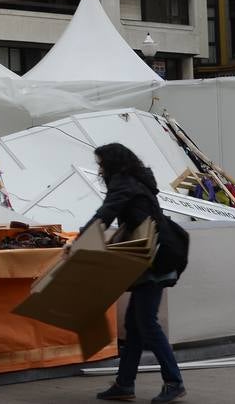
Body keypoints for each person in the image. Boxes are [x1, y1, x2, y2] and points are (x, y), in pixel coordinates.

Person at [90, 143, 186, 404]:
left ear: (112, 162)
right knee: (134, 325)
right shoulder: (136, 180)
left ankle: (174, 382)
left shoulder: (124, 183)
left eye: (101, 163)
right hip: (152, 256)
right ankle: (124, 384)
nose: (99, 168)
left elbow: (105, 213)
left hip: (153, 260)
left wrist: (81, 240)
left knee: (146, 323)